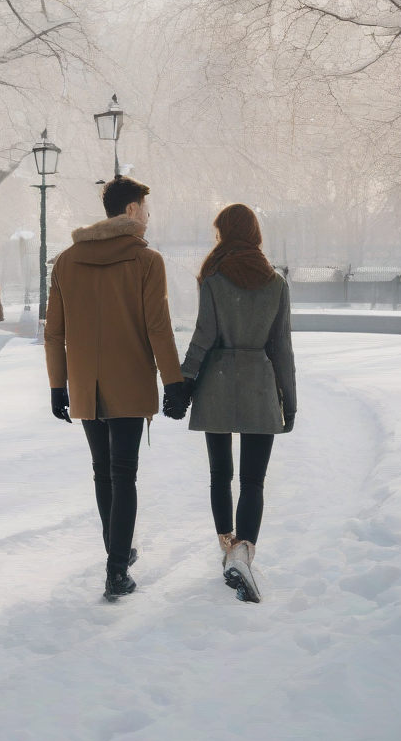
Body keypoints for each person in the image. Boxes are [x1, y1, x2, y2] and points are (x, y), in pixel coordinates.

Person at [45, 176, 189, 601]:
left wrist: (58, 386)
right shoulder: (147, 261)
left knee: (102, 472)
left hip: (86, 385)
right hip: (129, 382)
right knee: (124, 475)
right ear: (130, 210)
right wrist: (174, 382)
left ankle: (119, 556)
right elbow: (158, 328)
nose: (147, 215)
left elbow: (54, 334)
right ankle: (116, 571)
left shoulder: (67, 261)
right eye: (145, 207)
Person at [165, 203, 296, 604]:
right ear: (255, 233)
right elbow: (282, 349)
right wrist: (288, 403)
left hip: (217, 383)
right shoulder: (276, 283)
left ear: (224, 233)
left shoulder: (213, 279)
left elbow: (203, 336)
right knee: (253, 480)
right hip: (259, 384)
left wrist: (183, 381)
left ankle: (226, 545)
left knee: (221, 473)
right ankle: (244, 552)